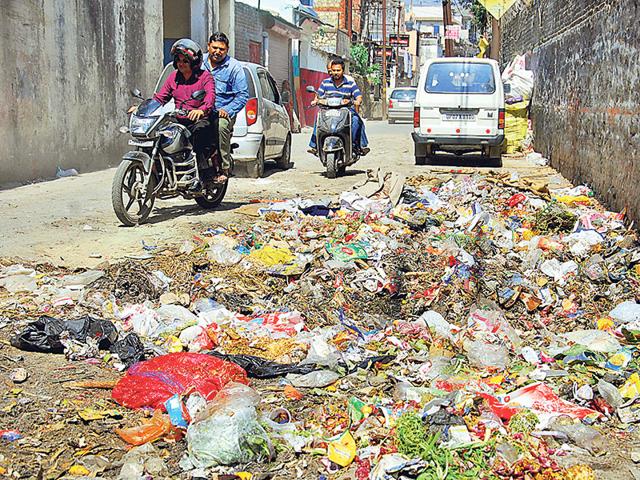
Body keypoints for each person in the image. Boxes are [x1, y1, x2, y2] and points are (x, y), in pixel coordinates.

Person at [153, 38, 217, 185]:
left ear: (194, 62)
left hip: (200, 119)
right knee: (160, 135)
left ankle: (202, 175)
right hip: (179, 119)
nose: (181, 64)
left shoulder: (205, 77)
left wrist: (201, 110)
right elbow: (160, 97)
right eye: (179, 60)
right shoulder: (173, 77)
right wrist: (143, 107)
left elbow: (210, 97)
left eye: (185, 61)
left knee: (198, 134)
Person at [202, 32, 249, 183]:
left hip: (222, 111)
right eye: (214, 47)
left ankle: (224, 166)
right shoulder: (198, 62)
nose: (217, 51)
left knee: (221, 126)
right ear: (208, 46)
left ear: (227, 49)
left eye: (221, 49)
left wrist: (227, 110)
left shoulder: (234, 67)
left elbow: (242, 95)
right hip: (199, 110)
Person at [308, 57, 369, 156]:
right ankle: (315, 145)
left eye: (338, 70)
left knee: (357, 121)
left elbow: (358, 96)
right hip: (328, 110)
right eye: (334, 70)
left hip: (346, 110)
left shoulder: (350, 83)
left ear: (343, 71)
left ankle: (357, 146)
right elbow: (318, 96)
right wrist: (315, 101)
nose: (336, 73)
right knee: (318, 118)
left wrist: (357, 101)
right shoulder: (325, 83)